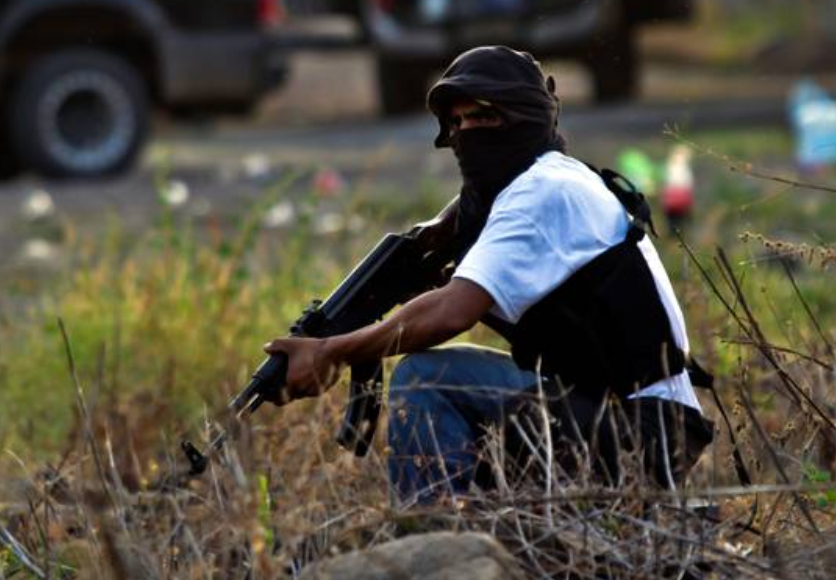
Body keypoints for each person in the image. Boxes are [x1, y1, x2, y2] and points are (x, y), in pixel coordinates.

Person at [264, 46, 714, 505]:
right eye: (456, 123)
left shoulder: (543, 192)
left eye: (482, 117)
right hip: (615, 413)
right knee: (438, 376)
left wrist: (330, 352)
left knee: (426, 378)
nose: (466, 133)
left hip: (646, 433)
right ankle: (473, 528)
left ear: (523, 117)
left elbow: (450, 312)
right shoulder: (533, 186)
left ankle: (435, 538)